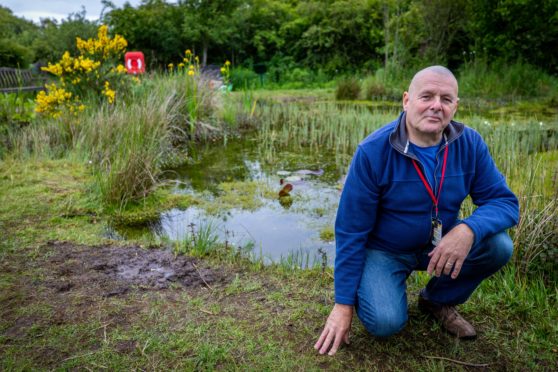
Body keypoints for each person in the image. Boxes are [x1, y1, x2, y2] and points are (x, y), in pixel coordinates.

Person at [314, 66, 519, 356]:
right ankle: (371, 288)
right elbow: (350, 231)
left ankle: (436, 299)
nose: (437, 105)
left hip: (440, 245)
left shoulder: (469, 144)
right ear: (407, 100)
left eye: (446, 99)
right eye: (427, 96)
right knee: (385, 322)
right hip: (385, 250)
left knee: (498, 245)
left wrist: (467, 229)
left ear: (455, 106)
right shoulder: (372, 151)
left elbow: (505, 203)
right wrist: (342, 304)